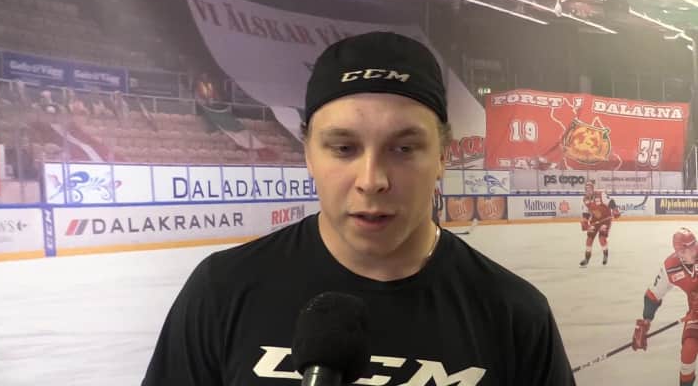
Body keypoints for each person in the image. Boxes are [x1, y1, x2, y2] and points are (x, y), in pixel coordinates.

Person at [142, 31, 576, 385]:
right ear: (308, 153)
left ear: (443, 155)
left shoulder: (516, 316)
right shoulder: (222, 291)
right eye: (344, 148)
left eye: (404, 148)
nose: (372, 180)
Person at [632, 227, 698, 386]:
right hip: (695, 314)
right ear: (679, 252)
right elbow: (653, 296)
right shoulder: (671, 267)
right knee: (689, 349)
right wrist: (645, 322)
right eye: (688, 248)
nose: (694, 250)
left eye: (694, 245)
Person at [579, 179, 620, 267]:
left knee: (601, 238)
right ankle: (586, 258)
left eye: (590, 188)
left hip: (605, 220)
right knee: (589, 239)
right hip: (594, 221)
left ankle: (605, 255)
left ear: (593, 188)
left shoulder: (601, 194)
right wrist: (585, 221)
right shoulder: (585, 199)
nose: (588, 190)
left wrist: (615, 209)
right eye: (586, 189)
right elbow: (586, 213)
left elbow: (611, 201)